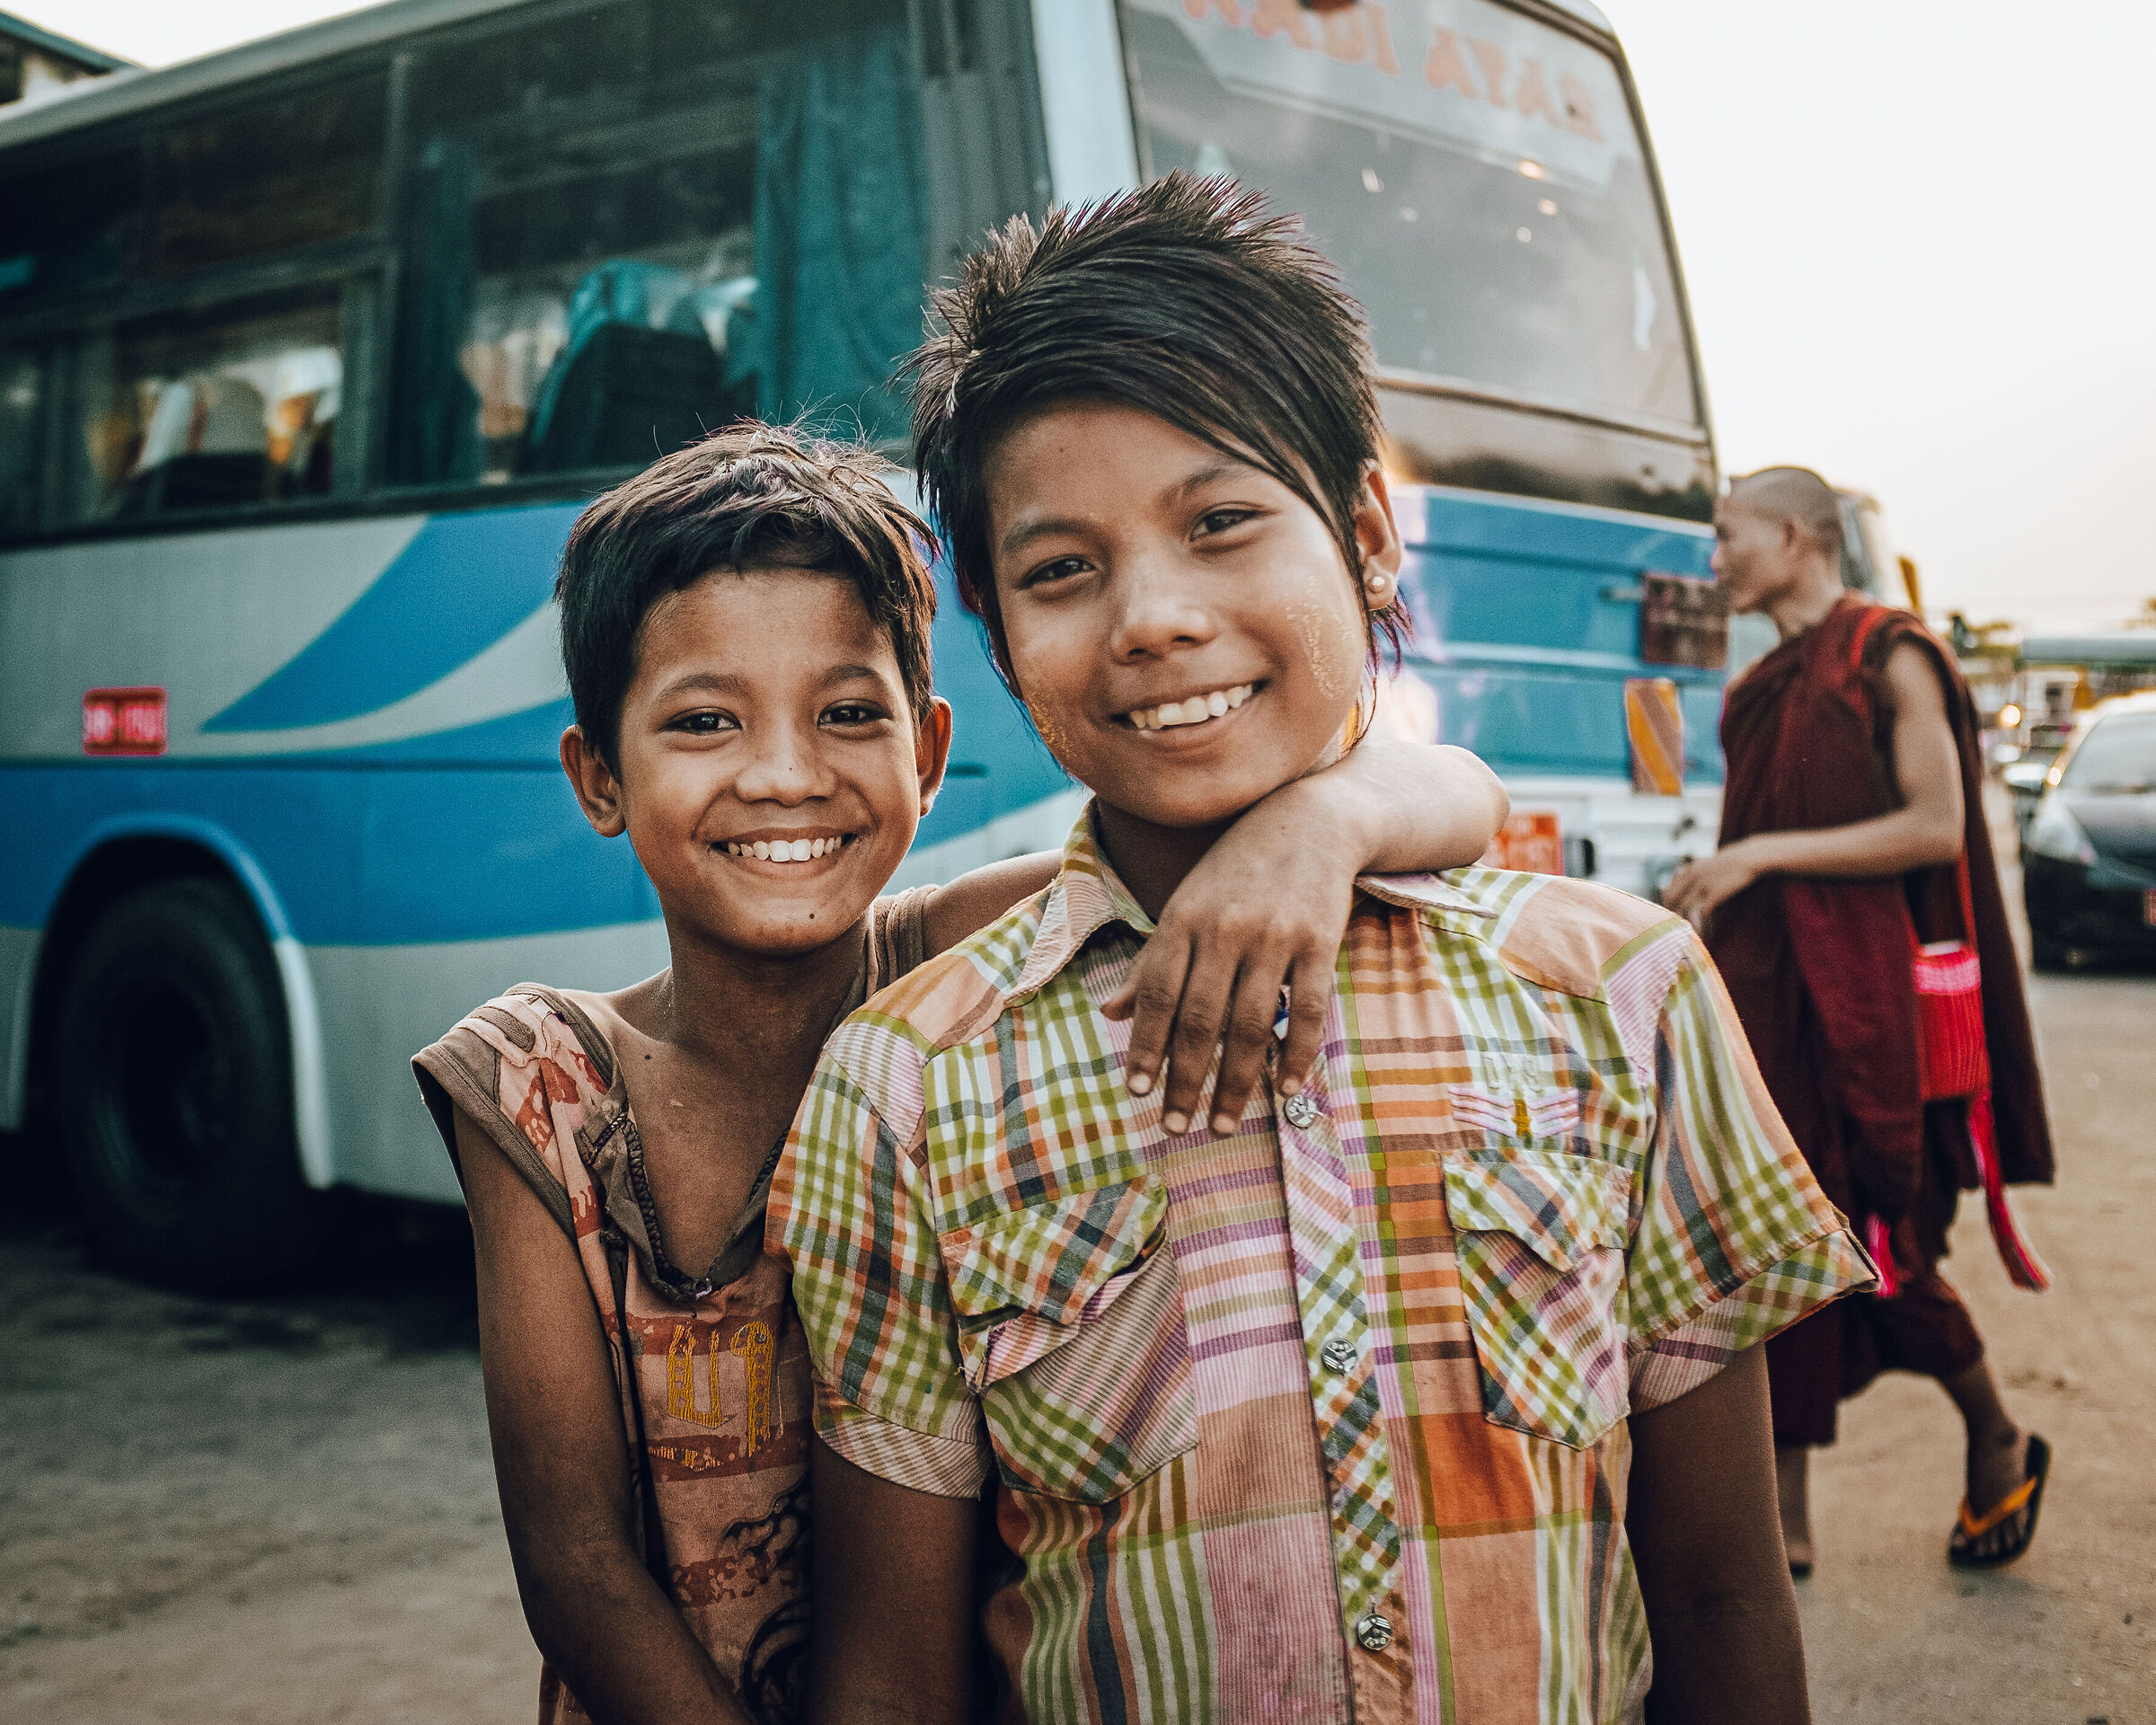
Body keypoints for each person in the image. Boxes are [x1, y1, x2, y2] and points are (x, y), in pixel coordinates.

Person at [771, 176, 1875, 1725]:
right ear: (990, 619)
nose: (1153, 618)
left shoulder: (1624, 999)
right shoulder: (908, 1083)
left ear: (1364, 532)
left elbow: (1717, 1592)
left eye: (1222, 523)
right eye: (1062, 570)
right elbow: (893, 1672)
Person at [410, 421, 1512, 1725]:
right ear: (600, 776)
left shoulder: (965, 961)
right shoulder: (542, 1087)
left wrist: (1331, 822)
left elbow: (1457, 790)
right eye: (705, 721)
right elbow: (578, 1564)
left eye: (849, 715)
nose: (784, 774)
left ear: (927, 758)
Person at [1666, 466, 2056, 1575]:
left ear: (1793, 536)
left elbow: (1935, 828)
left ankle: (1994, 1436)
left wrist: (1757, 856)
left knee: (1871, 1243)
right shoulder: (1759, 687)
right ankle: (1781, 1524)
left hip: (1868, 1013)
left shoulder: (1888, 654)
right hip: (1769, 1000)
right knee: (1767, 1240)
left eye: (1730, 534)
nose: (1717, 557)